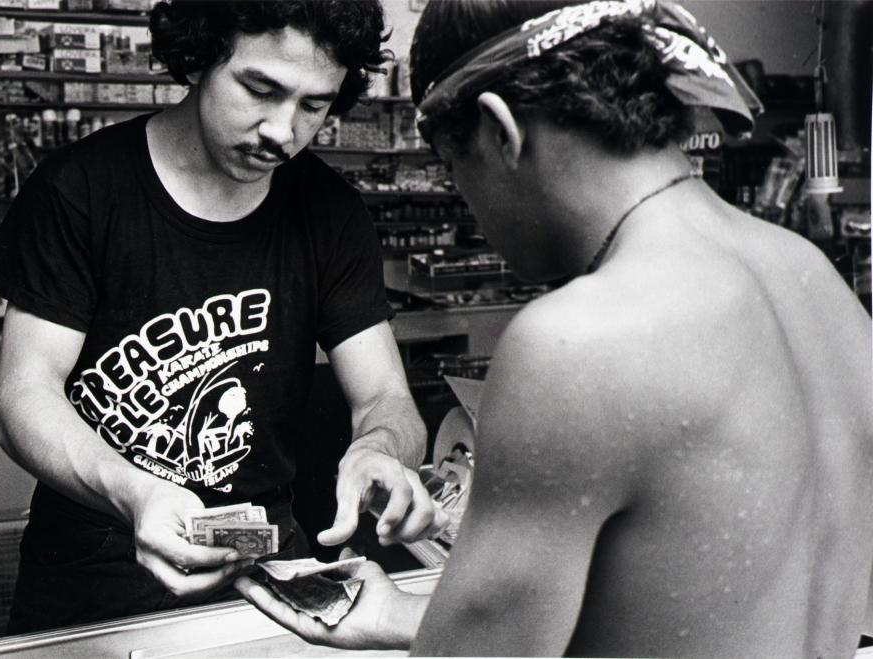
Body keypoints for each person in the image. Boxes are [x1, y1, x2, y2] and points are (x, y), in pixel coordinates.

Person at [235, 0, 873, 656]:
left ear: (498, 130)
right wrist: (406, 613)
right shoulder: (815, 283)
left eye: (457, 174)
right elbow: (704, 595)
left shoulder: (576, 341)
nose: (475, 215)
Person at [0, 0, 447, 633]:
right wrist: (135, 491)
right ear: (200, 55)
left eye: (313, 105)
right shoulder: (80, 189)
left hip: (268, 570)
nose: (282, 131)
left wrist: (381, 448)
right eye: (260, 88)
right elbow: (21, 397)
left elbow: (385, 395)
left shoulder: (329, 211)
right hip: (93, 570)